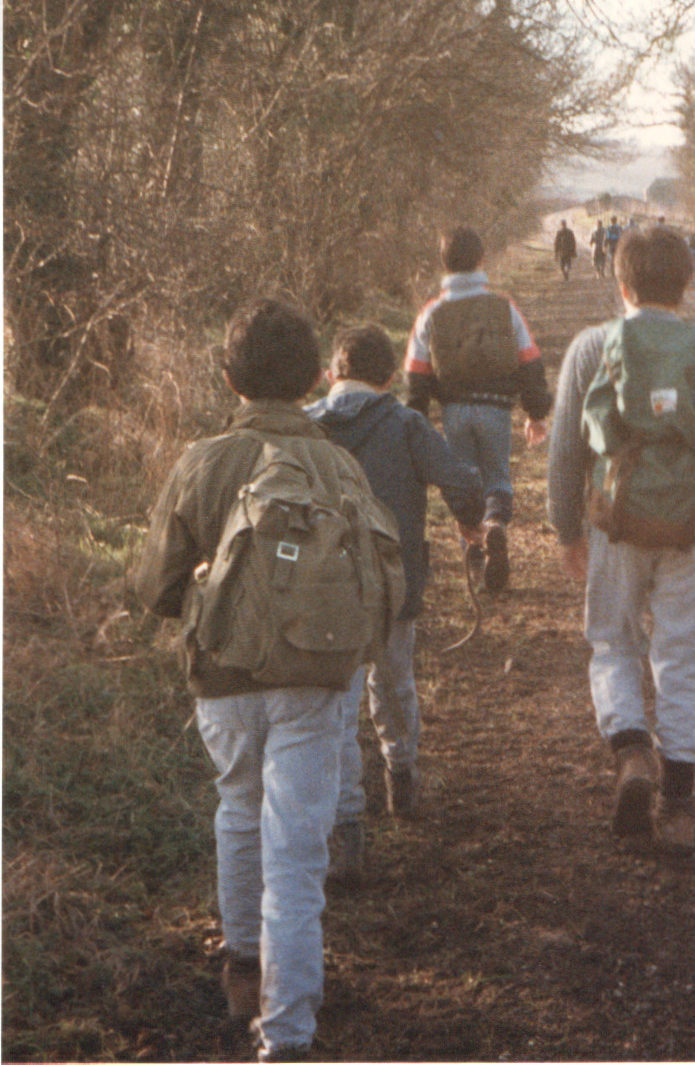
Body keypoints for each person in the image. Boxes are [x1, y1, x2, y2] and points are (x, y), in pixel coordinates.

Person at [133, 300, 387, 1063]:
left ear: (228, 376)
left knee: (239, 809)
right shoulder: (340, 465)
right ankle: (289, 1029)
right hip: (316, 674)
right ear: (314, 377)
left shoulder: (202, 461)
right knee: (297, 849)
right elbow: (381, 577)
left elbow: (154, 584)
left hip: (225, 674)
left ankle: (242, 970)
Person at [547, 224, 695, 854]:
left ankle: (631, 750)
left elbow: (566, 450)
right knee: (683, 654)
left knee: (613, 641)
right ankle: (680, 801)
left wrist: (567, 528)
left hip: (616, 522)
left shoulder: (592, 346)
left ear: (621, 283)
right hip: (691, 525)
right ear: (687, 284)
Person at [306, 324, 486, 877]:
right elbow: (460, 482)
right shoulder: (407, 424)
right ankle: (400, 774)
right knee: (393, 682)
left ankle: (346, 829)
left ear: (332, 375)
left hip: (322, 588)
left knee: (337, 706)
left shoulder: (306, 426)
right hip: (394, 583)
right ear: (389, 378)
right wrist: (470, 522)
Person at [405, 226, 551, 592]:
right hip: (496, 409)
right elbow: (529, 360)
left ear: (444, 263)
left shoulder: (431, 312)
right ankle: (496, 525)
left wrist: (415, 423)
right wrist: (535, 413)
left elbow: (416, 373)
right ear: (482, 260)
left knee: (466, 483)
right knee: (497, 476)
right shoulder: (505, 307)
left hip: (454, 411)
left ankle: (473, 557)